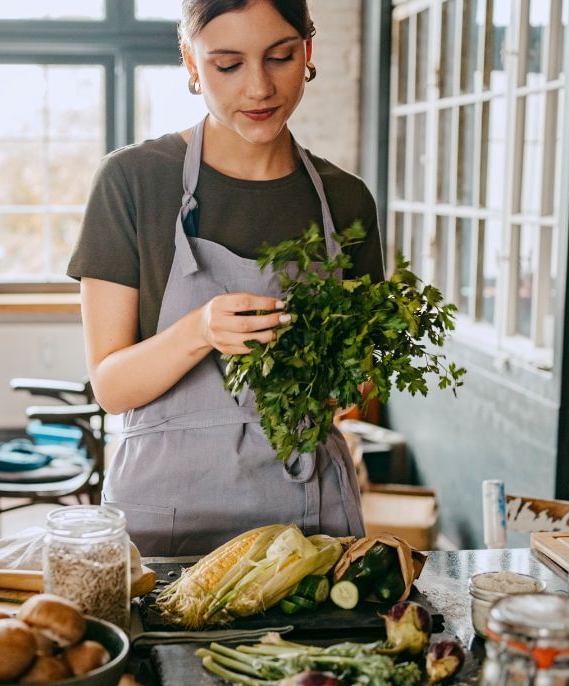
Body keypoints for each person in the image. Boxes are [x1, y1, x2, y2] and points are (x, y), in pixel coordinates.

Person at [67, 0, 384, 557]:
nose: (259, 88)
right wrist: (201, 330)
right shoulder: (134, 181)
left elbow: (356, 388)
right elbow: (111, 388)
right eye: (228, 64)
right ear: (191, 63)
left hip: (307, 516)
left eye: (280, 57)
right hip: (166, 518)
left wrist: (338, 377)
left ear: (307, 52)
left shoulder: (344, 200)